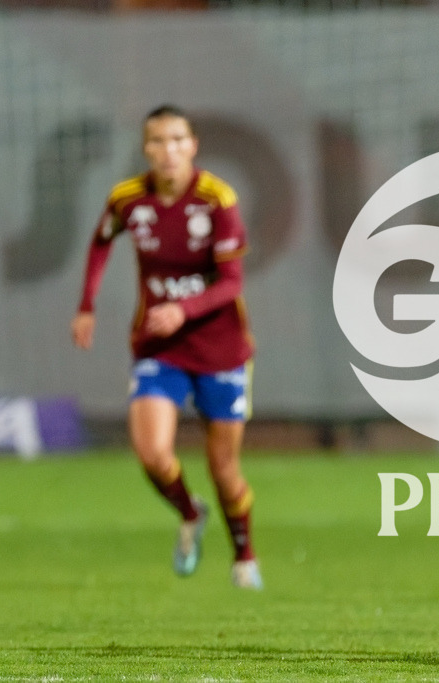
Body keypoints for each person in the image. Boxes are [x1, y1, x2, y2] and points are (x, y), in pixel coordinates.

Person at [71, 104, 262, 590]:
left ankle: (244, 556)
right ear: (145, 149)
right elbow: (100, 241)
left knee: (223, 470)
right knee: (153, 454)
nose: (167, 150)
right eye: (157, 141)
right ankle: (188, 512)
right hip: (159, 345)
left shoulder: (217, 199)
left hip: (220, 347)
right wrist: (87, 304)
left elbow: (231, 282)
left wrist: (184, 308)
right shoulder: (128, 199)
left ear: (193, 145)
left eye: (177, 140)